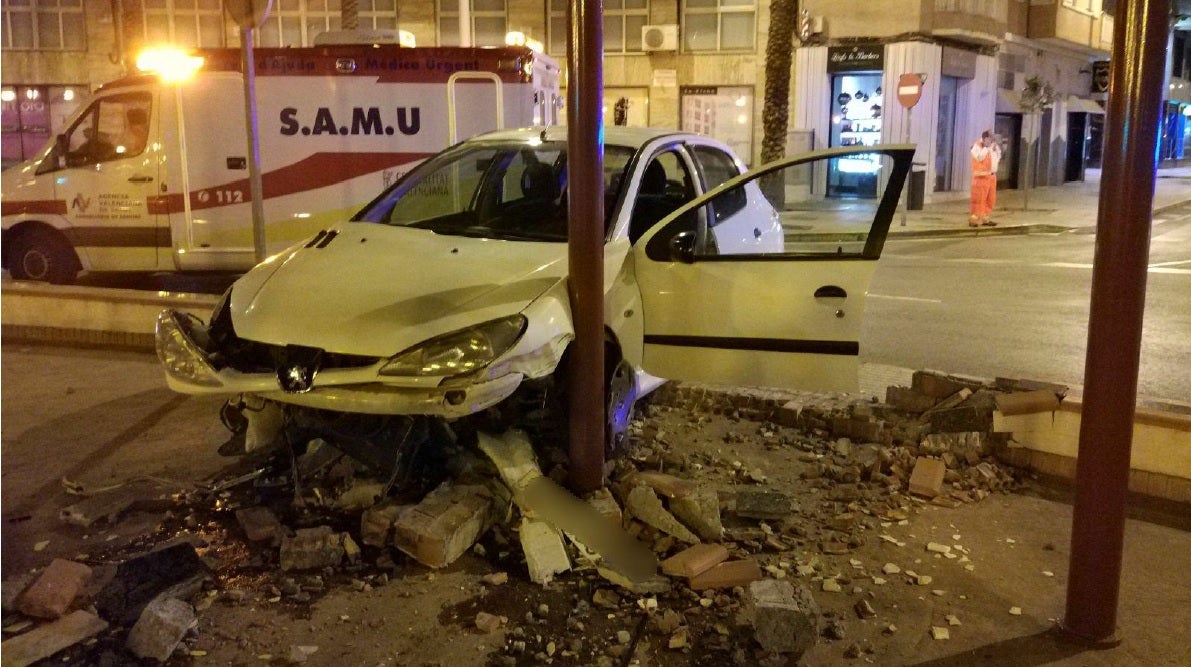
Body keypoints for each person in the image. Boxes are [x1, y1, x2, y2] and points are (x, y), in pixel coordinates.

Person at [969, 130, 1001, 227]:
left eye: (992, 139)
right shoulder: (977, 146)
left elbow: (998, 157)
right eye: (989, 138)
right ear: (984, 138)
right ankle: (973, 219)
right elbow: (979, 157)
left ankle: (985, 218)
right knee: (979, 199)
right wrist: (987, 148)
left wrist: (996, 150)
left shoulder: (993, 146)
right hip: (981, 177)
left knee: (990, 199)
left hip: (991, 176)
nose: (991, 140)